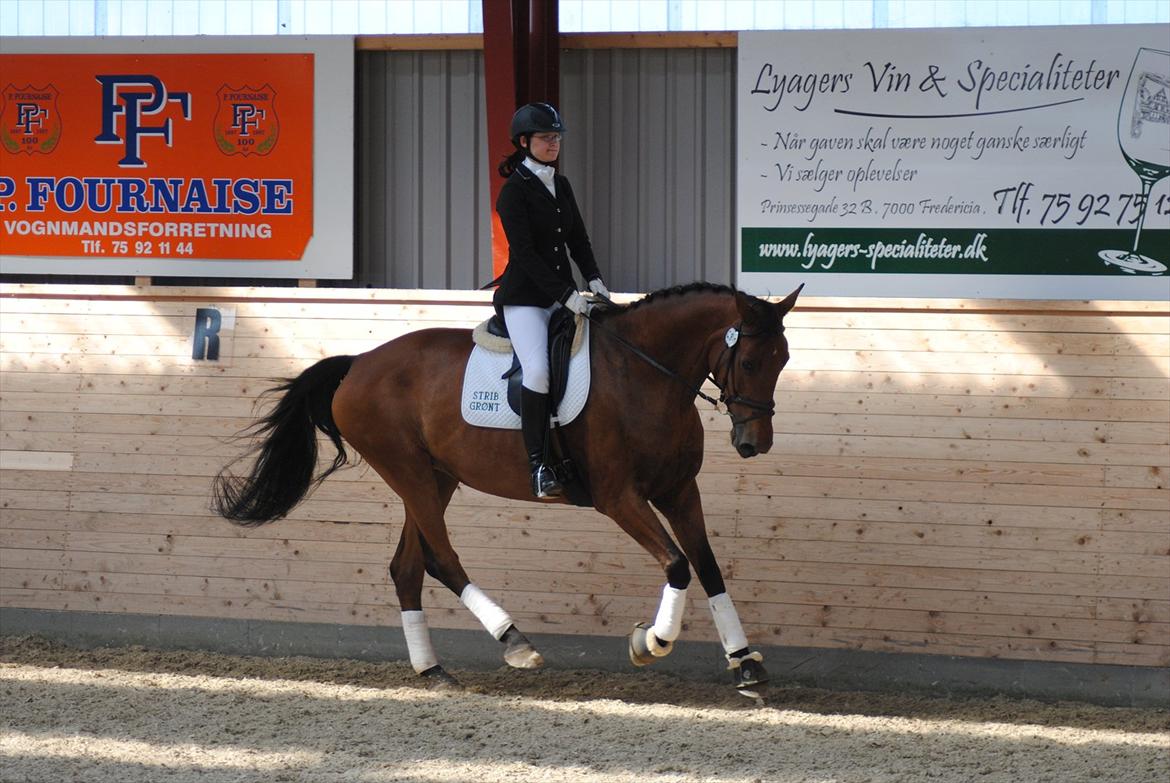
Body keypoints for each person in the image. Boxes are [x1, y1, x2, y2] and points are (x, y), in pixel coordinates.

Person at [493, 102, 609, 499]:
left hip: (563, 295)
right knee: (539, 371)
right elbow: (524, 254)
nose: (553, 144)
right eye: (546, 138)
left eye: (557, 138)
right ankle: (539, 466)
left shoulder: (561, 184)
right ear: (524, 142)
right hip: (526, 300)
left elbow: (577, 239)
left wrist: (594, 277)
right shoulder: (513, 194)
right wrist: (566, 295)